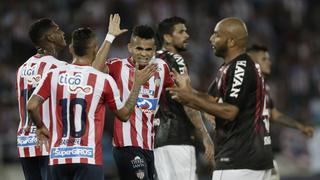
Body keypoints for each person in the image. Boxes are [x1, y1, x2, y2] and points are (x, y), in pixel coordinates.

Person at [27, 14, 157, 180]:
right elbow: (124, 115)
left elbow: (31, 106)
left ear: (71, 48)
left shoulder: (53, 75)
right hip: (88, 158)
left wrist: (40, 127)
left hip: (58, 157)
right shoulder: (102, 80)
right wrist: (137, 84)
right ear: (95, 48)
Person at [167, 17, 274, 180]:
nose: (211, 39)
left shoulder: (240, 67)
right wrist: (188, 92)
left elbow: (230, 111)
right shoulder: (230, 67)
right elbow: (211, 99)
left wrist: (190, 97)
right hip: (252, 159)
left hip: (239, 160)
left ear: (231, 41)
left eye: (216, 35)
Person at [92, 25, 174, 180]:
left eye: (148, 50)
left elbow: (176, 93)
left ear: (155, 50)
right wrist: (110, 36)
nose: (144, 54)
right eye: (139, 49)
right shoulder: (118, 66)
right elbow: (95, 70)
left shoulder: (161, 67)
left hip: (149, 146)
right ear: (130, 47)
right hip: (126, 145)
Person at [154, 16, 214, 180]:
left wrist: (204, 106)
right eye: (181, 32)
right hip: (178, 138)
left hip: (156, 142)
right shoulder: (176, 60)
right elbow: (186, 100)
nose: (187, 35)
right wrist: (205, 135)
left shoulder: (151, 62)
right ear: (167, 37)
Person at [247, 44, 315, 180]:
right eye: (264, 59)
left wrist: (299, 126)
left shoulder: (263, 88)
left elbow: (275, 114)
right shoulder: (244, 88)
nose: (269, 62)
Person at [15, 18, 67, 180]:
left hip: (25, 142)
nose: (63, 33)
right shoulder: (59, 67)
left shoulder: (22, 69)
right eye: (58, 30)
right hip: (48, 140)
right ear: (50, 37)